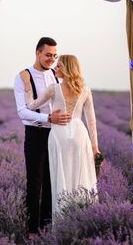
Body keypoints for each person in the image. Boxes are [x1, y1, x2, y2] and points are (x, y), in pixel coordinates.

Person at [20, 54, 100, 216]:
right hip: (80, 134)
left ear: (66, 69)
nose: (55, 68)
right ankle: (82, 216)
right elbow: (92, 122)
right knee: (80, 175)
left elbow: (31, 105)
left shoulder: (54, 89)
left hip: (59, 134)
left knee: (60, 176)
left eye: (58, 66)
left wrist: (27, 84)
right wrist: (95, 148)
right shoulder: (85, 90)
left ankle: (61, 218)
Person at [14, 37, 71, 238]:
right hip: (36, 134)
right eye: (48, 55)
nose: (51, 59)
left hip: (57, 134)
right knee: (35, 182)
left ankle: (46, 228)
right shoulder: (24, 76)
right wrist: (48, 117)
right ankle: (31, 230)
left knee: (52, 181)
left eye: (55, 56)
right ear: (37, 53)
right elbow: (22, 111)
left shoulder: (57, 78)